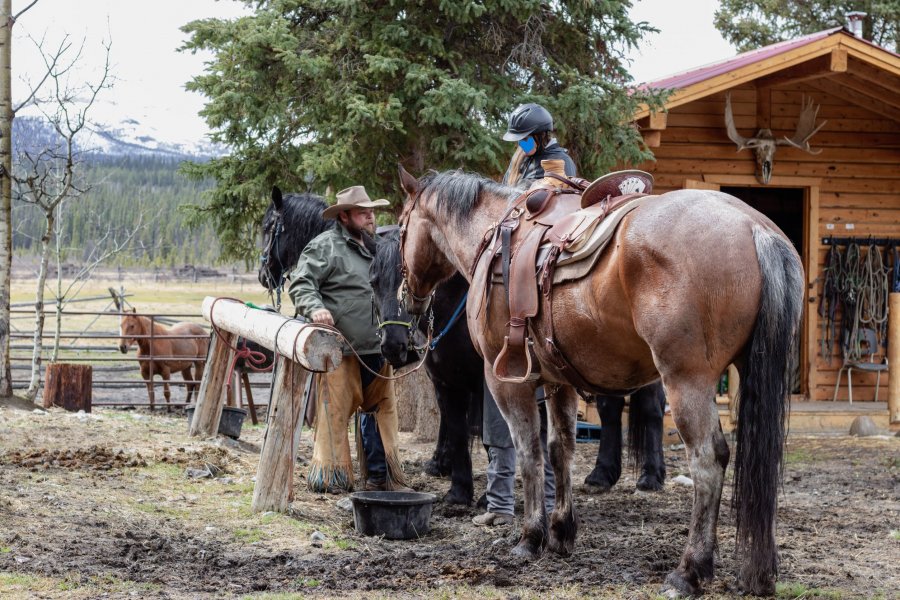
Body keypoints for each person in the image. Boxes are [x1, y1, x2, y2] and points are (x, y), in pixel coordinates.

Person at [473, 102, 574, 527]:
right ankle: (503, 501)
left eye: (525, 139)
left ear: (540, 136)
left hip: (536, 258)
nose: (521, 145)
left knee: (546, 423)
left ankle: (546, 501)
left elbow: (541, 207)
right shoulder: (522, 161)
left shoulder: (556, 161)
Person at [288, 185, 411, 493]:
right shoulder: (325, 246)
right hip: (341, 350)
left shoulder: (381, 248)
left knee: (381, 412)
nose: (370, 217)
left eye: (371, 212)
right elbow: (301, 283)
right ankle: (334, 479)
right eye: (362, 212)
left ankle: (382, 477)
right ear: (343, 216)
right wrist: (315, 308)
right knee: (335, 412)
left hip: (378, 345)